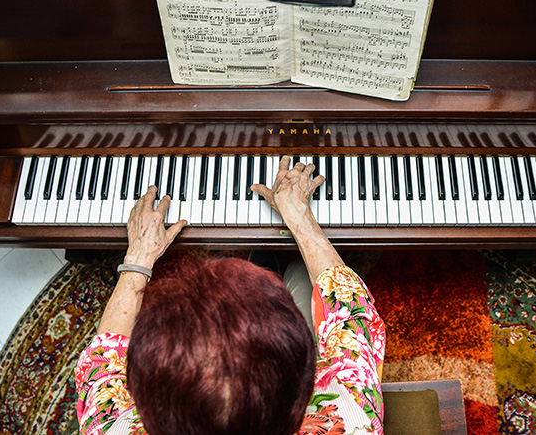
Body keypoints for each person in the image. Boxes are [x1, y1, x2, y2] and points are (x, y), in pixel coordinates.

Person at [75, 156, 386, 435]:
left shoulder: (113, 426)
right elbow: (352, 313)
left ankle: (266, 264)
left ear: (148, 404)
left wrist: (138, 260)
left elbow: (102, 359)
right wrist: (300, 217)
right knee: (300, 281)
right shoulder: (349, 418)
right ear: (303, 390)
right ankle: (279, 269)